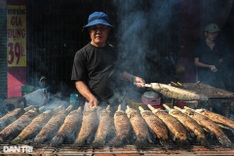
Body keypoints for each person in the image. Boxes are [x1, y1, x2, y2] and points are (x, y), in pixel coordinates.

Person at [71, 11, 145, 113]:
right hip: (94, 105)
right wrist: (91, 97)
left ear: (108, 30)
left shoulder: (113, 51)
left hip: (115, 104)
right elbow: (79, 82)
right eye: (94, 28)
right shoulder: (81, 54)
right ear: (89, 30)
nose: (98, 32)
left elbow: (119, 73)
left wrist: (133, 78)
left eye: (102, 28)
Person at [193, 23, 227, 89]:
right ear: (206, 34)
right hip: (203, 78)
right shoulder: (200, 46)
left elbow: (221, 59)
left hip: (217, 77)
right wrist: (209, 66)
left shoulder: (219, 45)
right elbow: (196, 63)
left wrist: (217, 66)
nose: (214, 35)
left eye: (215, 33)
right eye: (212, 33)